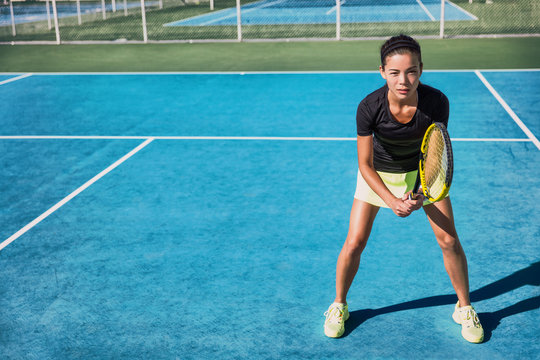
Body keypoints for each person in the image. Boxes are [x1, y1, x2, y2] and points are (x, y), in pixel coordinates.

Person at [323, 34, 483, 343]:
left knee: (449, 240)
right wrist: (392, 201)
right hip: (377, 176)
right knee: (355, 242)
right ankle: (339, 304)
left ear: (421, 69)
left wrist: (422, 190)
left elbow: (436, 152)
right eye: (394, 72)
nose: (403, 80)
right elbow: (365, 165)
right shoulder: (369, 107)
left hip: (423, 171)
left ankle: (464, 307)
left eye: (411, 71)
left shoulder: (436, 102)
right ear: (382, 71)